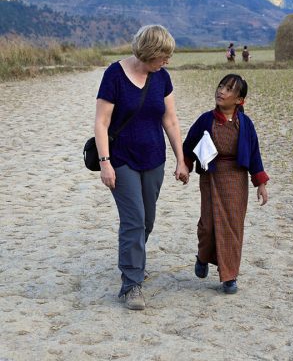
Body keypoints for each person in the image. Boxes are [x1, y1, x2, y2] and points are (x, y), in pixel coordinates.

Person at [94, 24, 189, 310]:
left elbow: (170, 120)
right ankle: (131, 284)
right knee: (133, 219)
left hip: (154, 159)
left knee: (147, 220)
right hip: (121, 159)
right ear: (149, 52)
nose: (167, 62)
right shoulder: (114, 75)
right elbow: (101, 123)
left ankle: (134, 262)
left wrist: (181, 159)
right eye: (163, 56)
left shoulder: (162, 77)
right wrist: (105, 163)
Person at [183, 74, 269, 294]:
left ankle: (229, 276)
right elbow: (188, 146)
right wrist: (184, 166)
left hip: (236, 178)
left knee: (232, 226)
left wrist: (260, 183)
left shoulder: (246, 124)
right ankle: (203, 257)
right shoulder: (205, 120)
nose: (222, 91)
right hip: (211, 177)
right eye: (221, 86)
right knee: (208, 225)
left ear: (240, 100)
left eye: (229, 89)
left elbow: (254, 153)